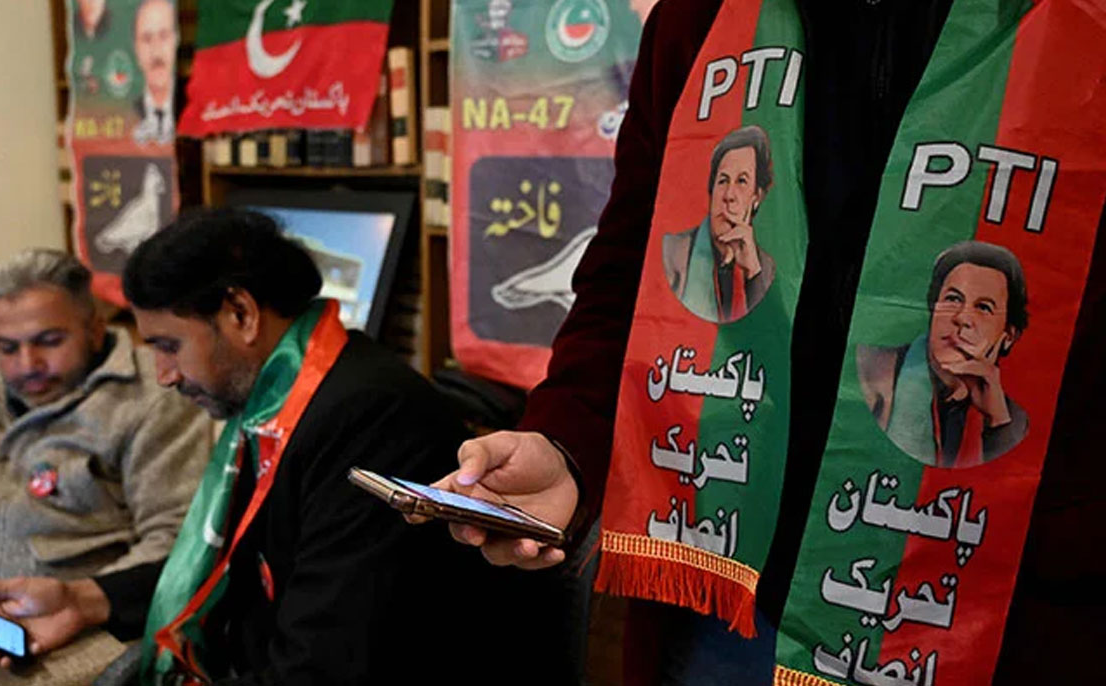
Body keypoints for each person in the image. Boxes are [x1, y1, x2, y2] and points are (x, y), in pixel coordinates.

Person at [427, 0, 1105, 684]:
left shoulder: (1083, 30)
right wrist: (569, 442)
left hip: (994, 611)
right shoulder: (697, 20)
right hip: (724, 594)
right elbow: (630, 269)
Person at [0, 209, 574, 685]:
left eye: (169, 346)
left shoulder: (370, 415)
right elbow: (227, 561)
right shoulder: (278, 396)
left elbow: (324, 668)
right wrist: (84, 598)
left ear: (240, 313)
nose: (164, 375)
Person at [0, 249, 211, 675]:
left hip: (35, 637)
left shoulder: (150, 404)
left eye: (49, 341)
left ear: (94, 328)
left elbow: (176, 543)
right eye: (7, 348)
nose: (27, 365)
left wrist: (76, 600)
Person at [857, 241, 1029, 467]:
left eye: (984, 307)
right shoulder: (870, 376)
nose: (962, 318)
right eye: (953, 299)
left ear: (1008, 335)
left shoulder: (1012, 423)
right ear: (933, 306)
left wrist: (997, 421)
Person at [662, 125, 776, 322]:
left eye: (741, 181)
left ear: (756, 197)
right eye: (723, 181)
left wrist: (753, 275)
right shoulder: (671, 253)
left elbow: (769, 335)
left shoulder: (765, 270)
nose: (729, 196)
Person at [132, 0, 176, 144]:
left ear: (176, 40)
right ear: (136, 49)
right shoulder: (125, 112)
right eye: (146, 39)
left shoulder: (191, 107)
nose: (156, 52)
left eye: (164, 36)